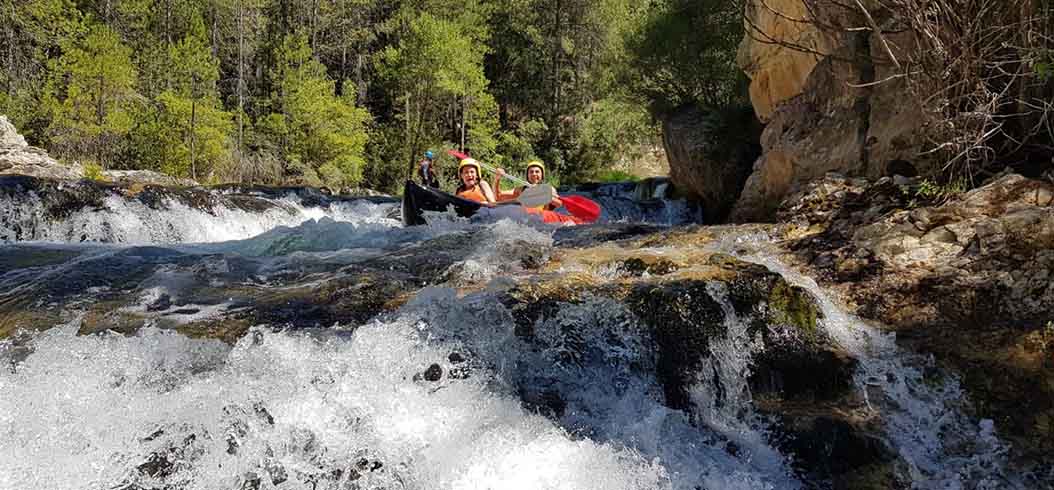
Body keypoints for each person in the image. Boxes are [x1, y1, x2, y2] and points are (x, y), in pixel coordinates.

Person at [492, 160, 562, 210]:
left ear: (542, 175)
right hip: (526, 218)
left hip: (542, 219)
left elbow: (559, 204)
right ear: (527, 175)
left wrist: (542, 194)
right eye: (531, 172)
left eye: (537, 172)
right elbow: (498, 196)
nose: (534, 174)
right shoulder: (520, 190)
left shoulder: (549, 189)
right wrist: (497, 179)